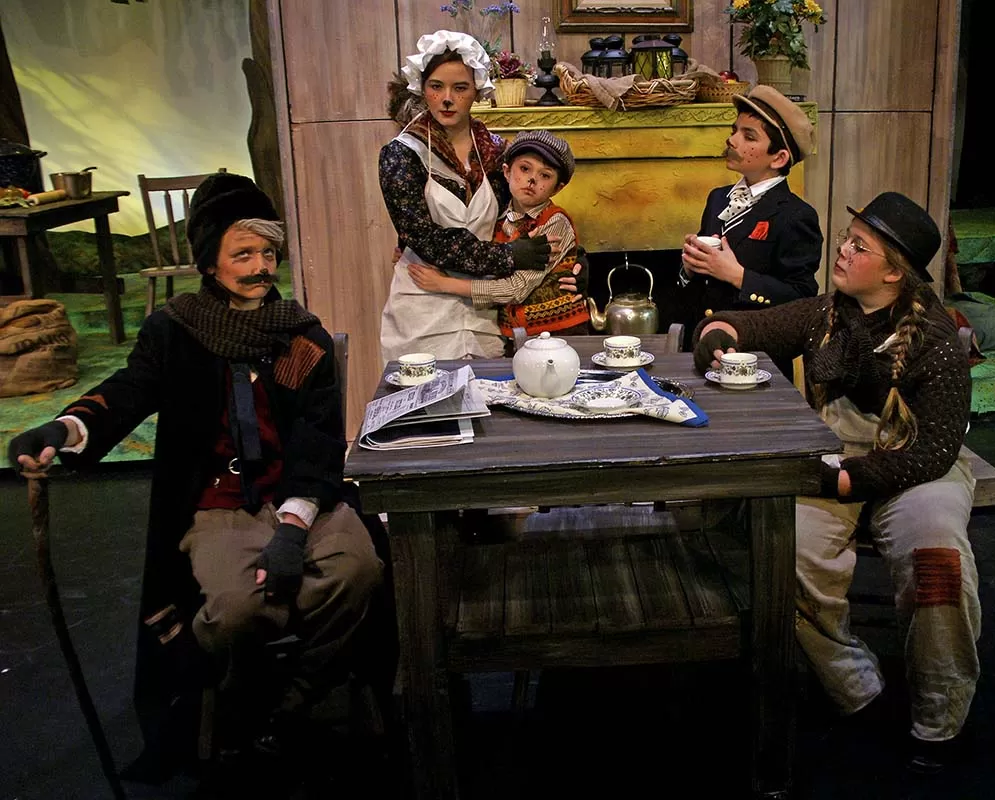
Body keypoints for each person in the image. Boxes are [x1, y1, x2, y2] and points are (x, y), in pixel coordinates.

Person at [7, 173, 386, 777]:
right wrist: (65, 428)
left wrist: (293, 527)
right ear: (210, 261)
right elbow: (128, 391)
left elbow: (318, 439)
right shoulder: (176, 332)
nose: (260, 267)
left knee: (357, 570)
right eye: (243, 254)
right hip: (220, 502)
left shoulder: (298, 336)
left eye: (268, 252)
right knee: (237, 610)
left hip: (300, 493)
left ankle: (295, 701)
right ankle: (246, 699)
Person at [693, 192, 980, 774]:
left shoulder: (936, 342)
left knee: (937, 560)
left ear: (894, 273)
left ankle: (939, 714)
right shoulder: (826, 313)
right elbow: (747, 325)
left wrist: (843, 480)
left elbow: (932, 452)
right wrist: (715, 340)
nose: (842, 252)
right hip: (834, 453)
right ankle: (856, 688)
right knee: (787, 549)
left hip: (917, 466)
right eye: (847, 240)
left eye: (859, 247)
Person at [378, 30, 558, 362]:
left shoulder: (497, 152)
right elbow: (425, 238)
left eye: (460, 88)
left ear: (477, 90)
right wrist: (507, 256)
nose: (447, 99)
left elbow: (531, 211)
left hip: (484, 313)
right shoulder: (402, 154)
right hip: (422, 312)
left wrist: (566, 264)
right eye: (436, 87)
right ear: (422, 89)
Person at [407, 129, 590, 344]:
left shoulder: (554, 222)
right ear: (506, 172)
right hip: (517, 335)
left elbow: (516, 288)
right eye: (524, 169)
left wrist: (444, 284)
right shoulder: (498, 219)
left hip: (560, 334)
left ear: (557, 188)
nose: (532, 179)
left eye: (545, 175)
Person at [675, 84, 823, 343]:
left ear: (778, 158)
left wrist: (738, 276)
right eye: (734, 131)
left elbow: (802, 300)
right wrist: (690, 267)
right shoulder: (718, 198)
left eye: (749, 137)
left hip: (753, 351)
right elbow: (701, 289)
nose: (732, 140)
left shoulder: (796, 216)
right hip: (705, 342)